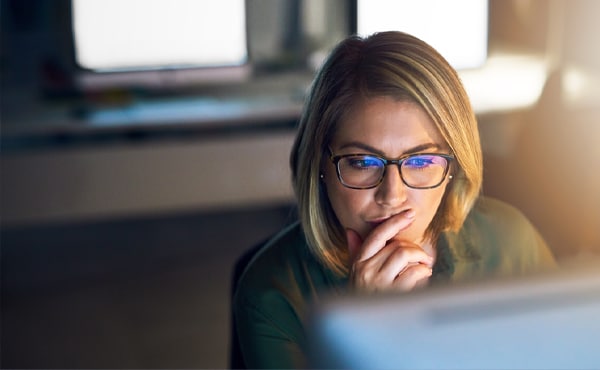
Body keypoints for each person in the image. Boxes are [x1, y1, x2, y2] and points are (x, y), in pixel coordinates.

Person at [232, 31, 557, 368]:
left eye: (420, 162)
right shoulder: (273, 295)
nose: (393, 196)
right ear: (320, 166)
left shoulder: (511, 243)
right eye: (361, 162)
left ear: (453, 166)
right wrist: (370, 330)